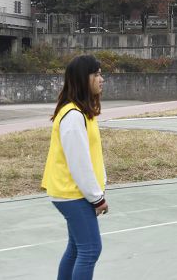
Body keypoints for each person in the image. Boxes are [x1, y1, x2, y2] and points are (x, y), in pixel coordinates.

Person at [41, 54, 108, 279]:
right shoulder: (72, 115)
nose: (101, 79)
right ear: (83, 78)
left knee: (77, 248)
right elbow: (79, 164)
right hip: (73, 194)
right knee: (90, 250)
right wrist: (97, 197)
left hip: (74, 193)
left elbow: (91, 157)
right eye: (96, 74)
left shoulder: (81, 113)